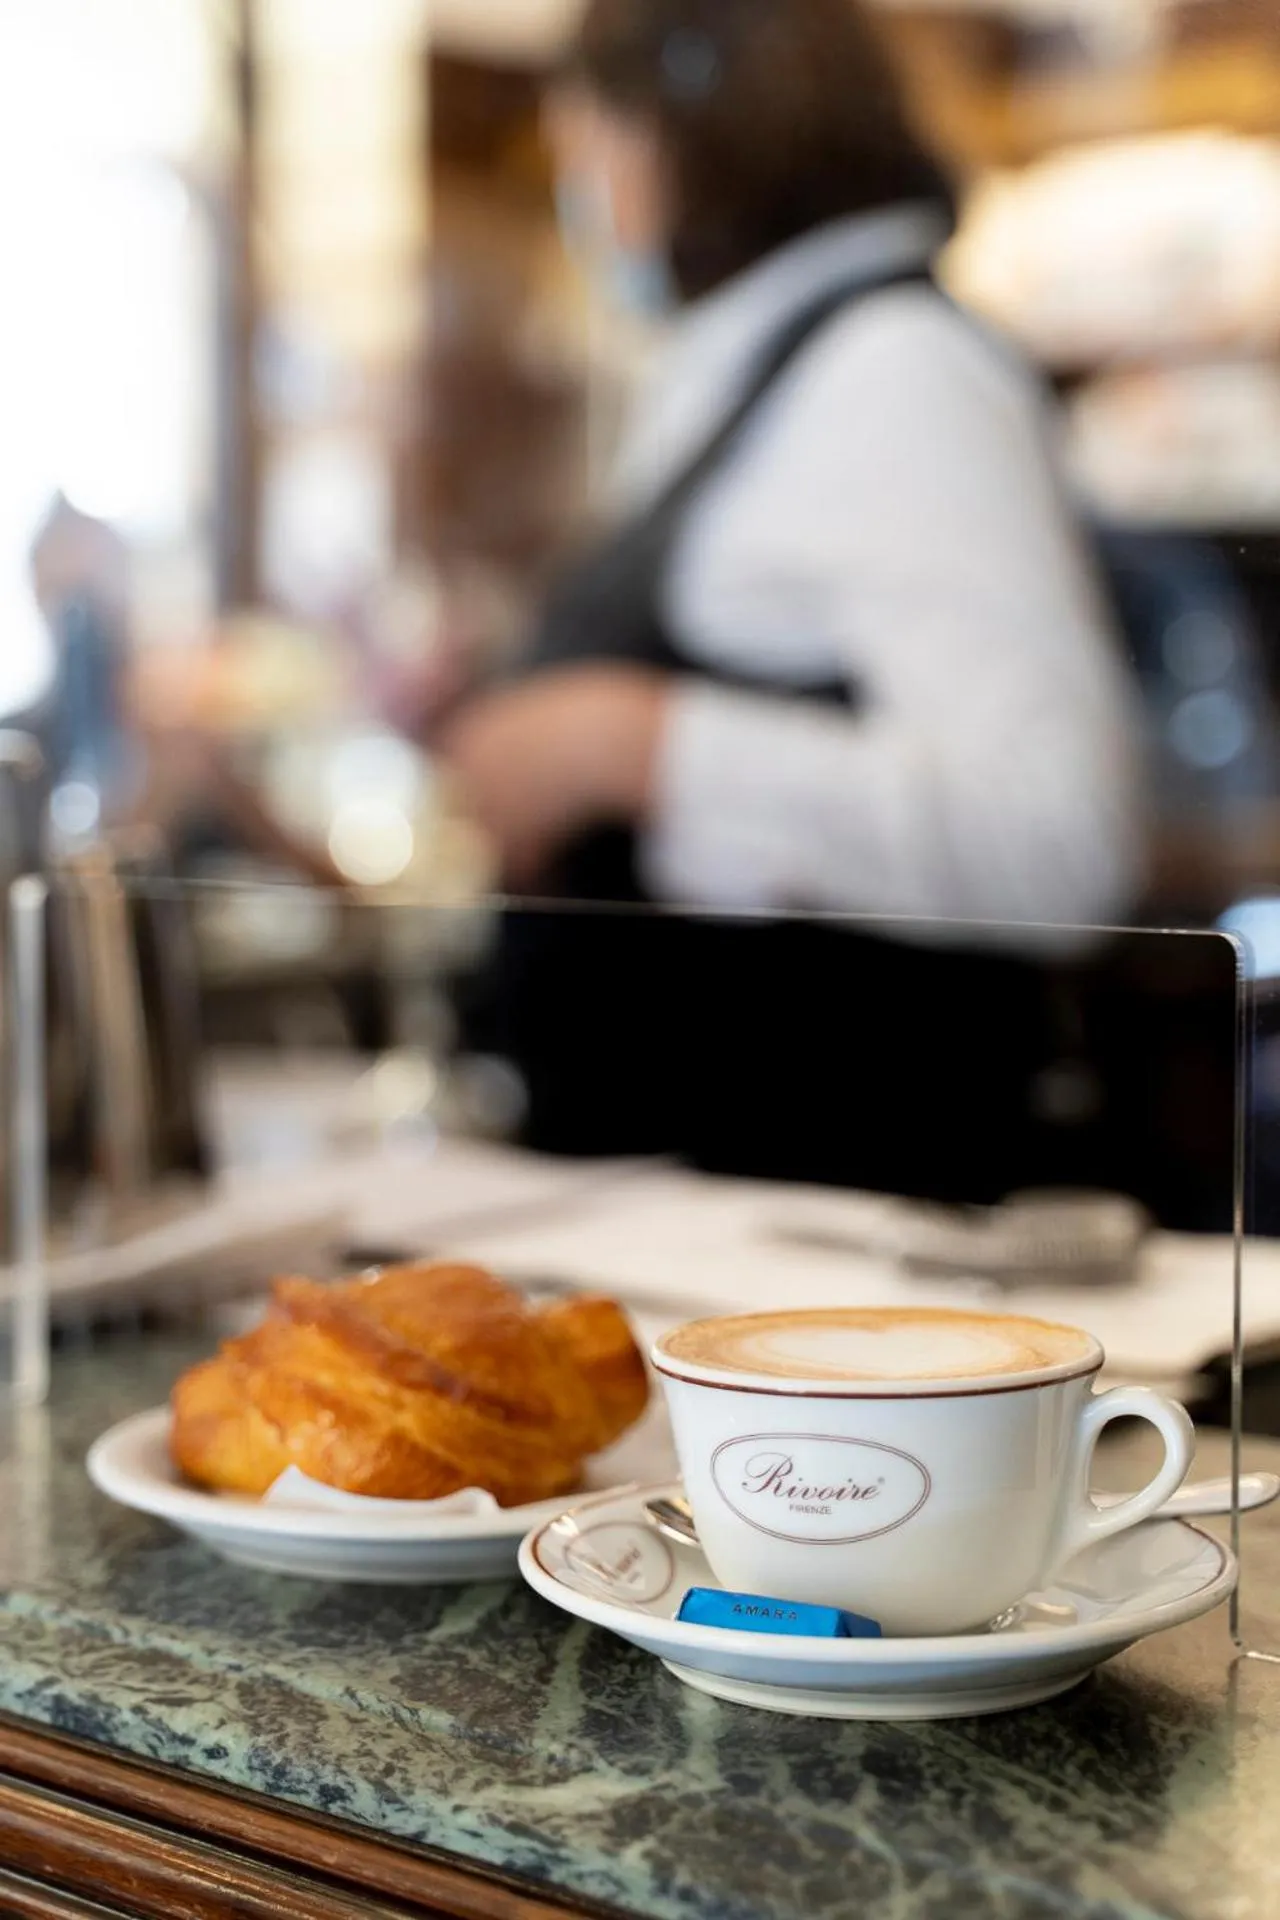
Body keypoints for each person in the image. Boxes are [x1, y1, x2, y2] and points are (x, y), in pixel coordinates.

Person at [439, 0, 1155, 1208]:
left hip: (845, 1214)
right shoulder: (755, 365)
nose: (580, 188)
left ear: (690, 130)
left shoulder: (895, 373)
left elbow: (1058, 841)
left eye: (590, 142)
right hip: (705, 1207)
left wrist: (634, 747)